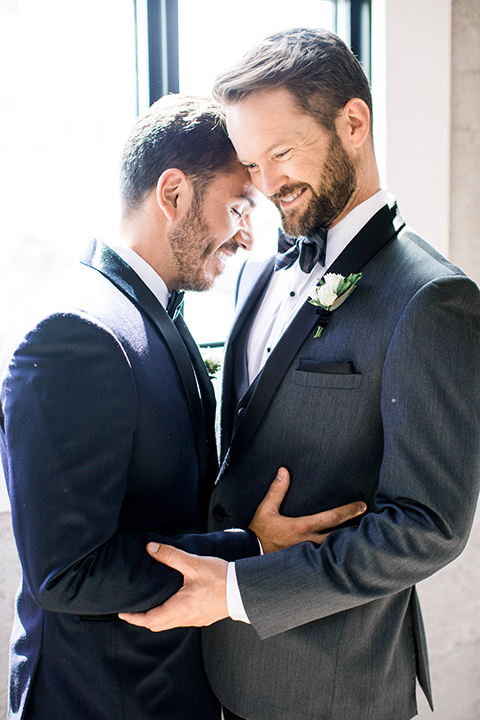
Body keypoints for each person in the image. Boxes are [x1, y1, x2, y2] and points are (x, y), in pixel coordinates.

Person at [120, 30, 480, 720]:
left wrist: (233, 588)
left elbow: (429, 525)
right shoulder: (257, 269)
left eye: (281, 153)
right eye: (252, 163)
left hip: (331, 689)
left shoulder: (432, 301)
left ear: (353, 123)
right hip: (222, 676)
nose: (266, 184)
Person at [0, 94, 366, 720]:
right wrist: (248, 549)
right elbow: (68, 573)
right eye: (239, 206)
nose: (248, 236)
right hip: (103, 697)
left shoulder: (149, 310)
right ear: (172, 194)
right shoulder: (78, 333)